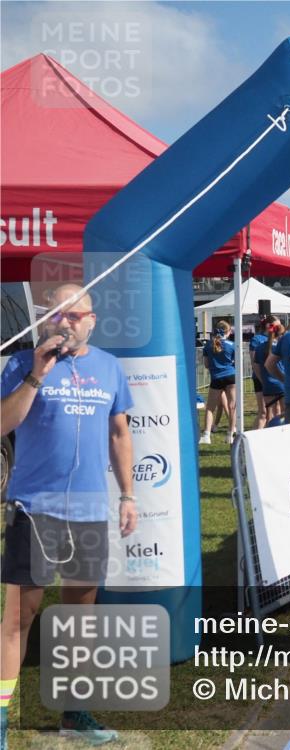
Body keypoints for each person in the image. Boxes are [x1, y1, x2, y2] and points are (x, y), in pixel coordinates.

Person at [0, 283, 137, 747]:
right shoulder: (22, 364)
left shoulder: (109, 368)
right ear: (45, 319)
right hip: (34, 508)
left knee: (81, 615)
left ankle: (73, 713)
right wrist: (37, 374)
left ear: (92, 320)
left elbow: (119, 434)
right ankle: (0, 716)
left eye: (75, 315)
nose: (66, 322)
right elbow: (3, 423)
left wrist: (128, 495)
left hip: (88, 512)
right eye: (57, 314)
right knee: (20, 617)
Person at [200, 320, 237, 444]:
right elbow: (236, 362)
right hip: (231, 377)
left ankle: (206, 435)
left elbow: (206, 364)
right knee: (232, 406)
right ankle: (230, 434)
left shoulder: (208, 345)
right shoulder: (232, 345)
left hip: (216, 378)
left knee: (210, 408)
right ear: (228, 331)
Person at [254, 317, 285, 427]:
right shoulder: (281, 346)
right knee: (285, 415)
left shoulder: (259, 347)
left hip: (268, 384)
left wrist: (263, 380)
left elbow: (256, 366)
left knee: (269, 416)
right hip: (282, 383)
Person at [248, 319, 268, 429]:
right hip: (260, 378)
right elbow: (253, 361)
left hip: (274, 379)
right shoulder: (257, 339)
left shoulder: (278, 338)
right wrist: (262, 379)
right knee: (263, 411)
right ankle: (252, 438)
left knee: (275, 411)